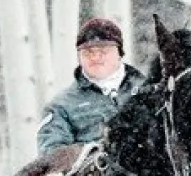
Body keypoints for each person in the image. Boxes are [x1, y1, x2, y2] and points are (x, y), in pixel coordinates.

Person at [36, 17, 147, 155]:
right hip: (96, 173)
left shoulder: (150, 90)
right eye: (88, 52)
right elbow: (53, 156)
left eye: (102, 51)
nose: (95, 57)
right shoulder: (60, 107)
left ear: (119, 52)